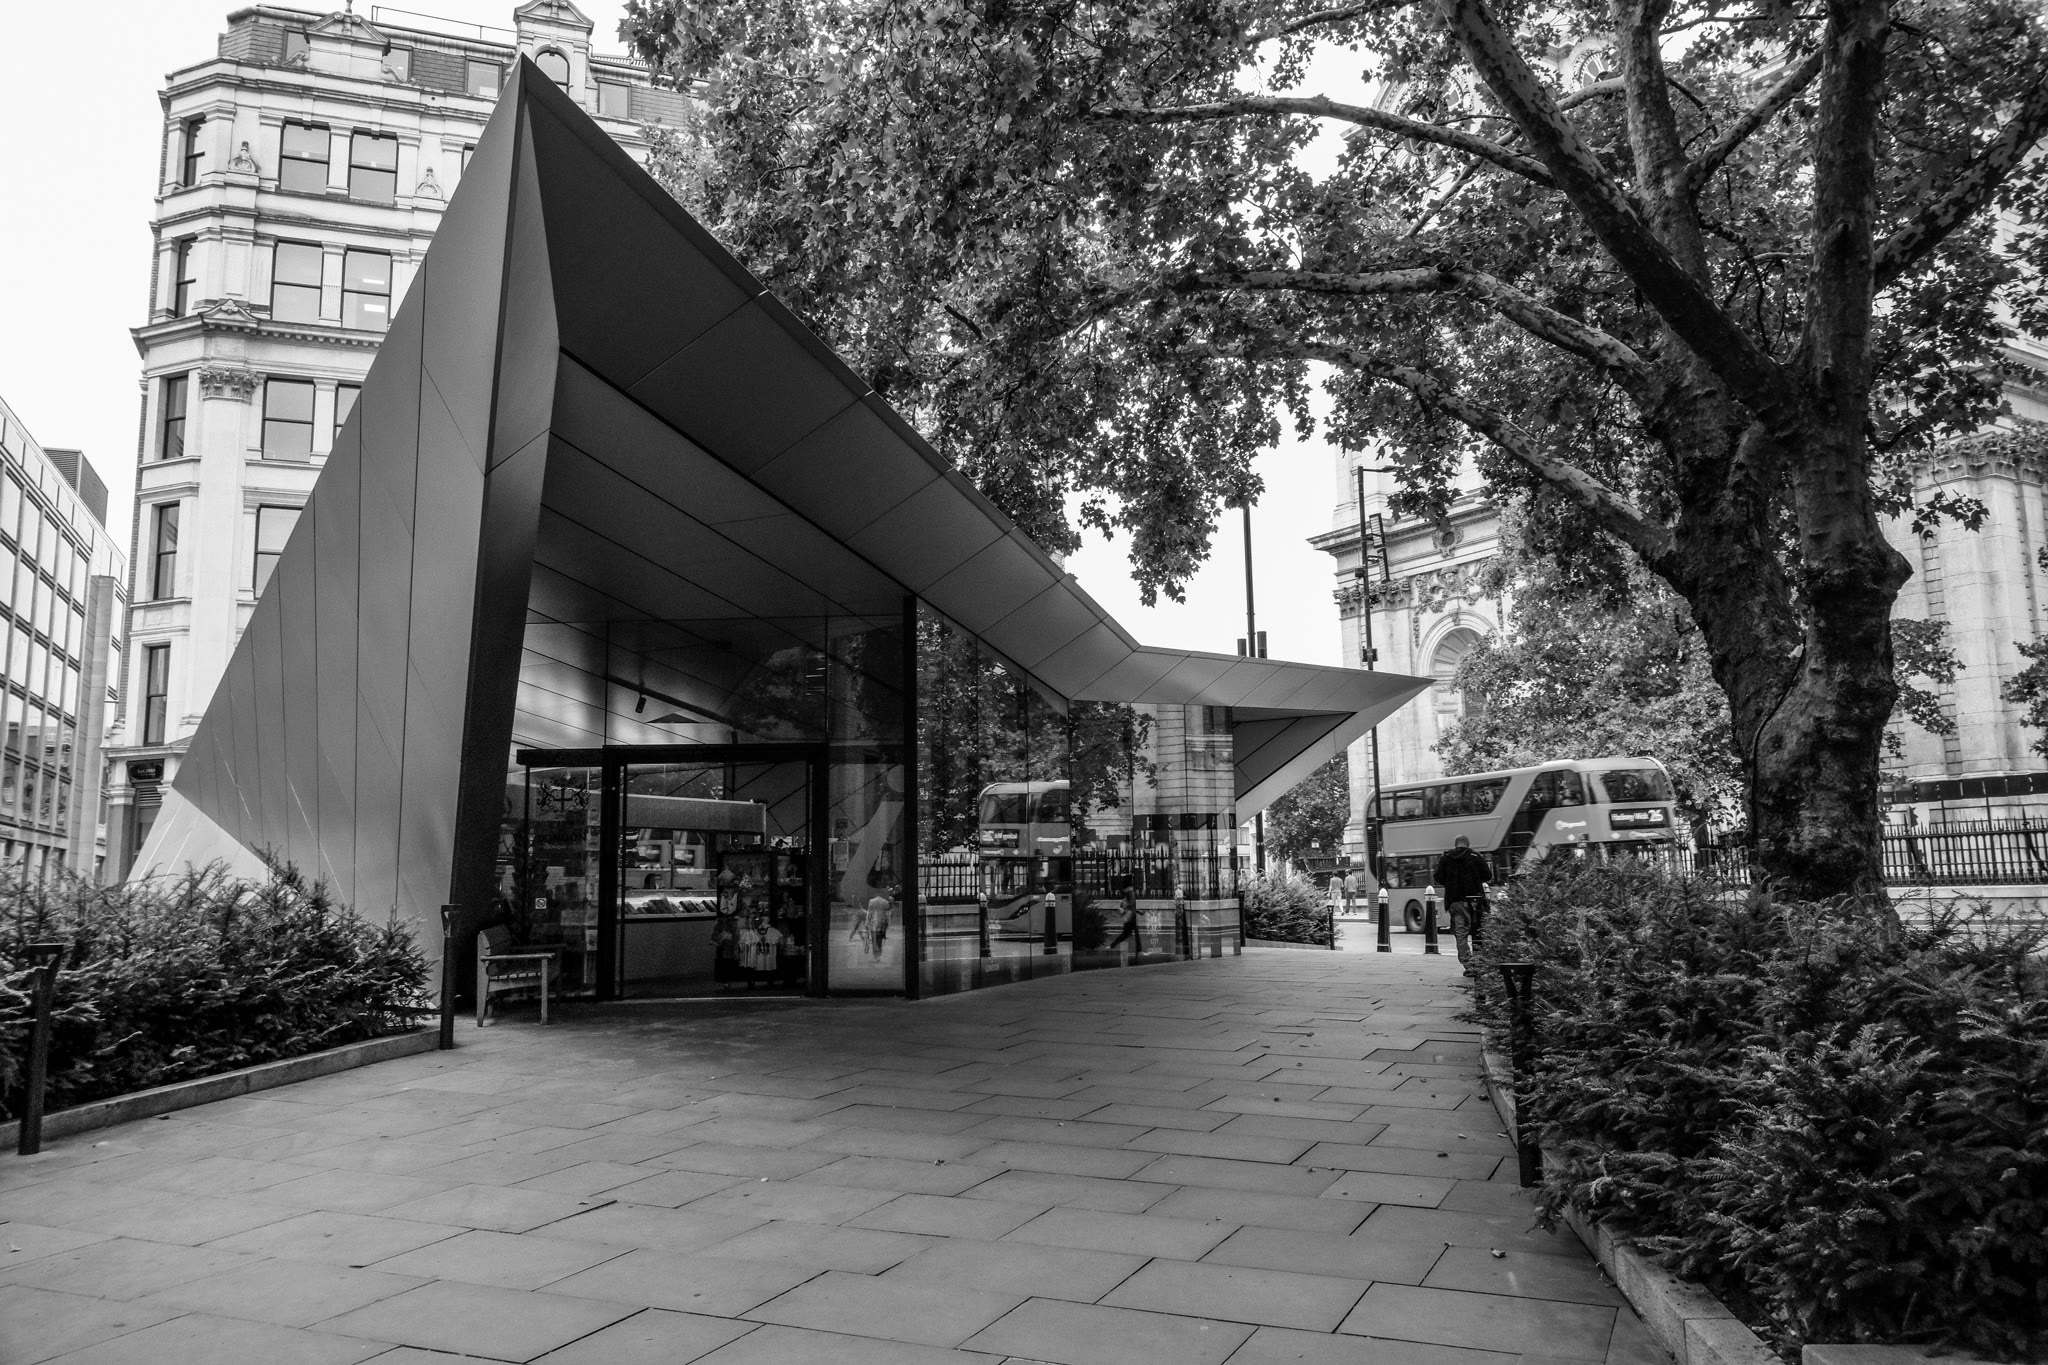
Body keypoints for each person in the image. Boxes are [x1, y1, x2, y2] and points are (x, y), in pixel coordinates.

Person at [1434, 835, 1493, 976]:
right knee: (1478, 932)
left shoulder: (1446, 858)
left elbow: (1438, 877)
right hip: (1474, 902)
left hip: (1455, 902)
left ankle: (1469, 965)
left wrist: (1451, 881)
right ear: (1468, 843)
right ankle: (1480, 963)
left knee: (1461, 935)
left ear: (1455, 844)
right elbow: (1487, 875)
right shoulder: (1475, 856)